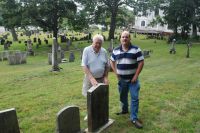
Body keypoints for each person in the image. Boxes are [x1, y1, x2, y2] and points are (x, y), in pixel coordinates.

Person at [110, 31, 144, 129]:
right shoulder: (116, 50)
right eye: (123, 37)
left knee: (134, 98)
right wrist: (116, 72)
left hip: (133, 80)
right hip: (122, 80)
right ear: (120, 39)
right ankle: (124, 110)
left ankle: (134, 118)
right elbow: (111, 61)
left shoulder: (136, 49)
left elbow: (141, 62)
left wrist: (136, 76)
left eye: (126, 37)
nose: (124, 38)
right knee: (123, 97)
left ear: (130, 39)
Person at [81, 34, 109, 120]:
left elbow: (107, 66)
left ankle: (99, 113)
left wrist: (105, 77)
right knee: (89, 97)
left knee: (100, 97)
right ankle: (89, 114)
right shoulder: (87, 50)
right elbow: (84, 65)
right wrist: (91, 78)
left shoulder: (104, 51)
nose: (98, 45)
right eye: (96, 43)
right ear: (92, 42)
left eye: (100, 43)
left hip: (101, 78)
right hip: (90, 78)